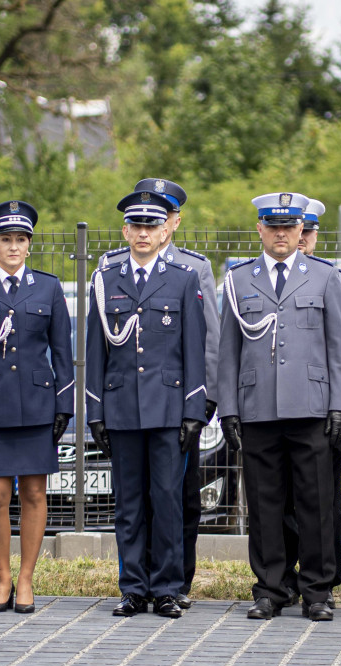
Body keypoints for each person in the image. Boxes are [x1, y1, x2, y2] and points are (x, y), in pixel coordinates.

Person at [218, 192, 341, 622]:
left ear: (301, 231)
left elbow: (340, 348)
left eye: (289, 227)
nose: (281, 234)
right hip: (258, 409)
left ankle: (316, 591)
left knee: (315, 503)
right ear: (260, 229)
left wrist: (339, 406)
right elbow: (228, 351)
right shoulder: (238, 280)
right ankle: (270, 589)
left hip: (311, 408)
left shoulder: (326, 277)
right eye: (272, 227)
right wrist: (229, 408)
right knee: (265, 503)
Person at [99, 177, 220, 609]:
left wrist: (195, 409)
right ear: (126, 231)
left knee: (168, 501)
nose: (145, 232)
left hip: (169, 408)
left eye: (152, 224)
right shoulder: (105, 277)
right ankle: (133, 588)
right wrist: (97, 412)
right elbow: (97, 351)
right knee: (128, 503)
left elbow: (195, 348)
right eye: (137, 225)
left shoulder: (184, 279)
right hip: (122, 407)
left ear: (166, 229)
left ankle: (168, 588)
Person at [0, 200, 74, 614]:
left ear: (28, 245)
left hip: (37, 404)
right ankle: (2, 578)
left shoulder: (48, 288)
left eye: (20, 239)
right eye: (6, 239)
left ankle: (26, 579)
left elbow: (63, 351)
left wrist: (64, 405)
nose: (13, 246)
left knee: (35, 493)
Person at [285, 197, 341, 609]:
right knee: (280, 501)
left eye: (309, 232)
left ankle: (322, 580)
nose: (301, 240)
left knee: (320, 500)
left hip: (322, 409)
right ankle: (283, 578)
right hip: (278, 409)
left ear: (313, 236)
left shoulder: (332, 278)